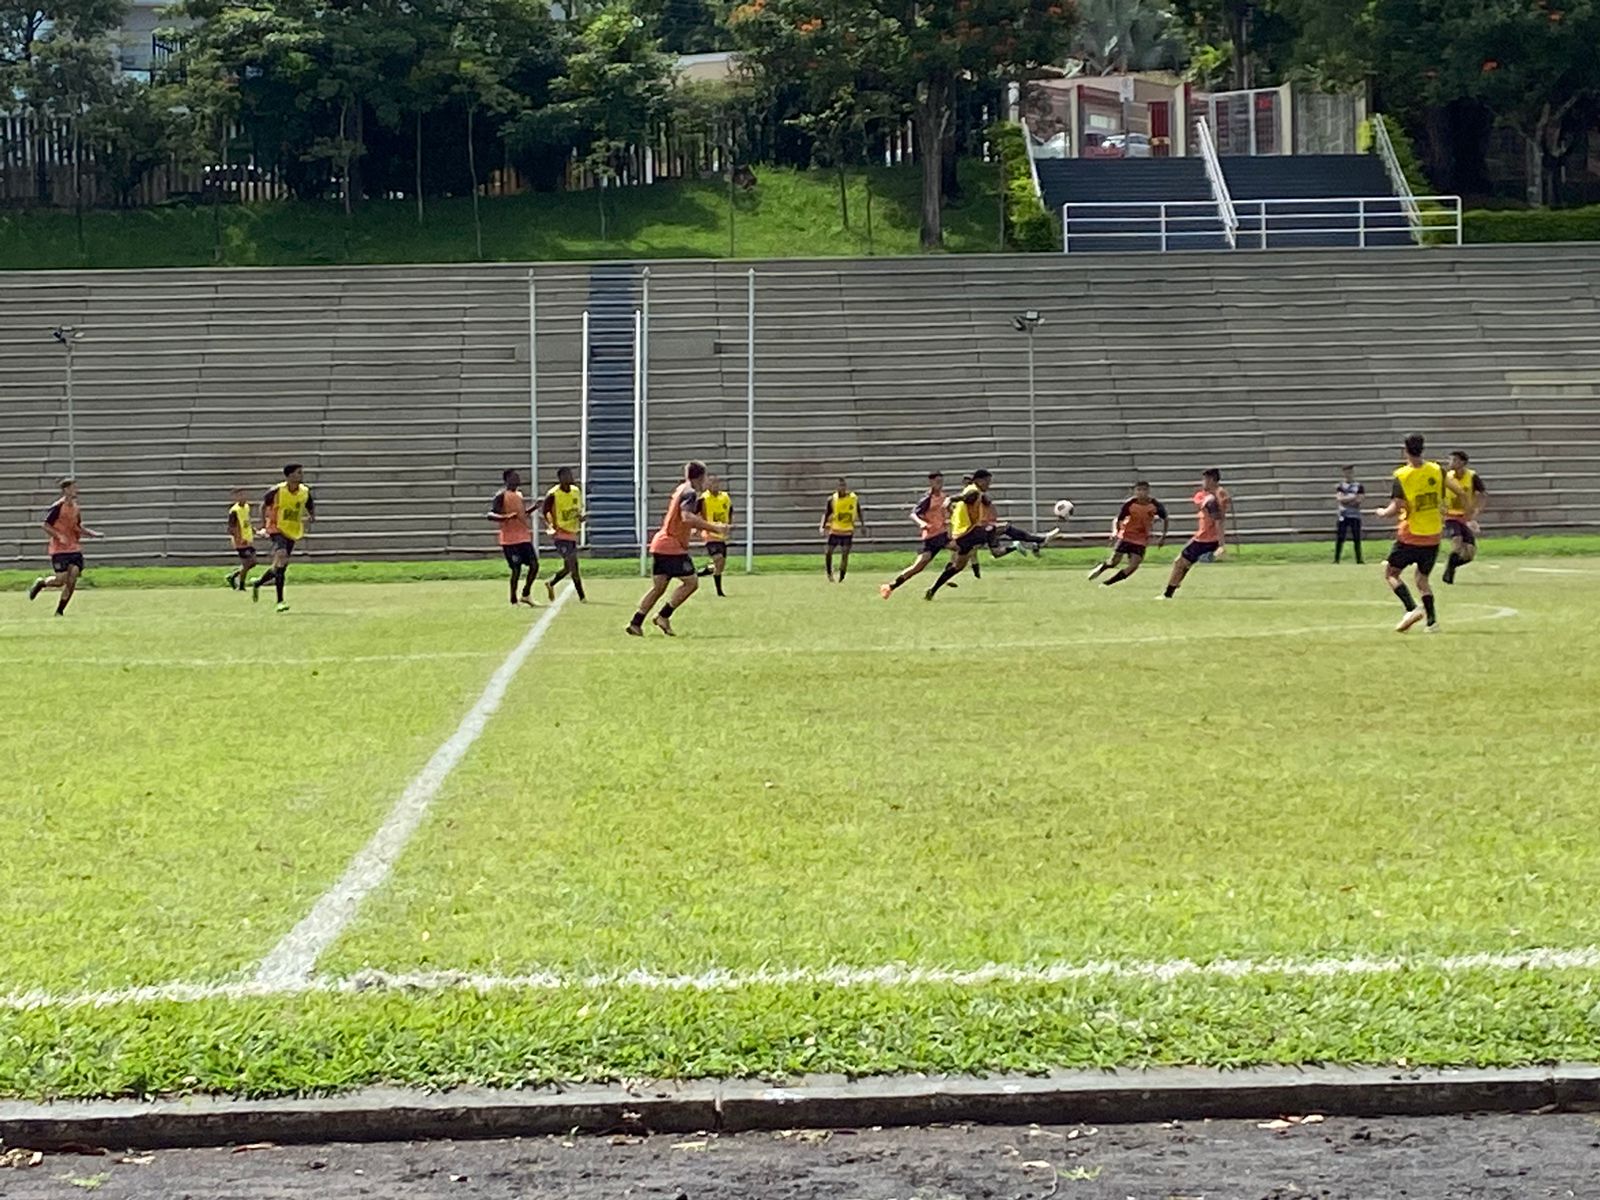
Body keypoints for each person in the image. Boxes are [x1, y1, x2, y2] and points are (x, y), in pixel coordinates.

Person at [1374, 433, 1470, 633]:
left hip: (1411, 534)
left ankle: (1411, 609)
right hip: (1433, 534)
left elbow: (1397, 506)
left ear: (1405, 450)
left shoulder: (1402, 475)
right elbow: (1459, 491)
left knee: (1391, 573)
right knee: (1422, 579)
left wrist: (1383, 512)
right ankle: (1432, 622)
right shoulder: (1437, 470)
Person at [627, 461, 729, 637]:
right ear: (701, 477)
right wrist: (715, 528)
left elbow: (685, 518)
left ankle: (636, 623)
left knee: (659, 587)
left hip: (660, 543)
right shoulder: (690, 493)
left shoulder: (682, 489)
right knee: (691, 582)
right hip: (671, 546)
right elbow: (687, 516)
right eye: (705, 476)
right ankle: (663, 616)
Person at [28, 478, 101, 616]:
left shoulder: (76, 508)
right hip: (59, 549)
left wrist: (91, 534)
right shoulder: (57, 507)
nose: (76, 490)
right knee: (60, 580)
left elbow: (77, 527)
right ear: (66, 490)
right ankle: (41, 583)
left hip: (74, 548)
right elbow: (45, 525)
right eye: (73, 488)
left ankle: (59, 611)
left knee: (72, 579)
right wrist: (58, 536)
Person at [251, 463, 314, 613]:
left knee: (280, 566)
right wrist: (263, 525)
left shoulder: (304, 491)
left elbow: (309, 505)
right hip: (276, 528)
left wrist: (312, 516)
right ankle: (280, 601)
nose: (301, 475)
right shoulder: (277, 491)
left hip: (292, 530)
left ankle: (259, 582)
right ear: (289, 476)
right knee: (282, 555)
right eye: (298, 473)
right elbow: (263, 506)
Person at [1160, 468, 1230, 599]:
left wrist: (1221, 544)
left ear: (1211, 480)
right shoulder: (1215, 494)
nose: (1203, 482)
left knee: (1179, 563)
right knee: (1185, 564)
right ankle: (1176, 582)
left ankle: (1168, 594)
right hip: (1206, 537)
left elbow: (1218, 520)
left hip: (1205, 538)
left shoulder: (1212, 498)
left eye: (1205, 479)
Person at [923, 469, 992, 600]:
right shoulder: (972, 492)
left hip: (965, 532)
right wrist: (950, 500)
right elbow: (962, 499)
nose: (989, 485)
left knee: (957, 566)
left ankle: (932, 590)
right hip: (965, 533)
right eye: (987, 482)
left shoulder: (974, 494)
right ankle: (1001, 548)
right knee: (996, 531)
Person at [881, 470, 950, 598]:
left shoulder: (944, 496)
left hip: (943, 534)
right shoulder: (927, 498)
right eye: (937, 482)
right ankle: (890, 586)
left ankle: (947, 575)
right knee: (917, 567)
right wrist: (921, 523)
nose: (940, 484)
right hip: (931, 537)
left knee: (961, 549)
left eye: (941, 482)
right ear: (931, 482)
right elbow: (913, 514)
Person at [1089, 481, 1168, 585]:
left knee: (1133, 566)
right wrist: (1115, 532)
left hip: (1141, 539)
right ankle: (1102, 568)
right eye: (1139, 490)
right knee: (1113, 562)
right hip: (1126, 536)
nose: (1141, 493)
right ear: (1135, 491)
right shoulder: (1130, 504)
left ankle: (1107, 583)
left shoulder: (1155, 505)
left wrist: (1163, 537)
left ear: (1148, 491)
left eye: (1144, 490)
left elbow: (1166, 518)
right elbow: (1119, 519)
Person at [489, 468, 538, 607]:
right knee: (516, 569)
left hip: (523, 537)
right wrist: (505, 517)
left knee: (534, 566)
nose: (517, 479)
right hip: (510, 540)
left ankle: (526, 593)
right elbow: (491, 515)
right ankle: (513, 599)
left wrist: (532, 509)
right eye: (514, 477)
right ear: (507, 480)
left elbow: (520, 515)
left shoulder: (519, 495)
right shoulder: (501, 496)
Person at [1441, 450, 1488, 585]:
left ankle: (1451, 566)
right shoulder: (1447, 477)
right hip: (1450, 516)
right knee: (1457, 541)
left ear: (1462, 463)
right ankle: (1449, 574)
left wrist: (1476, 512)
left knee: (1470, 554)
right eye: (1450, 460)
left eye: (1454, 460)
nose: (1451, 463)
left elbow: (1483, 494)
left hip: (1465, 517)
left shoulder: (1472, 476)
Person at [542, 466, 587, 602]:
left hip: (572, 532)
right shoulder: (553, 494)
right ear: (560, 478)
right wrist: (550, 525)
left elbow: (577, 509)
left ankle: (551, 583)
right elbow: (545, 511)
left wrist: (580, 517)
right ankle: (582, 596)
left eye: (570, 475)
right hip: (560, 533)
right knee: (573, 563)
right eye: (567, 476)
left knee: (568, 567)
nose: (570, 478)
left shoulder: (575, 491)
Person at [820, 478, 864, 582]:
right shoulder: (832, 500)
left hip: (847, 530)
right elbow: (826, 513)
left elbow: (858, 511)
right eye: (840, 486)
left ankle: (842, 575)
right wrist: (823, 526)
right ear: (837, 488)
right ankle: (829, 572)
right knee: (828, 552)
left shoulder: (853, 499)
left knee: (845, 553)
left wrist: (863, 525)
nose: (842, 488)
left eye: (843, 486)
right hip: (835, 530)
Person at [696, 474, 733, 597]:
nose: (714, 486)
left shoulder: (725, 497)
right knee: (718, 558)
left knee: (720, 565)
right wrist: (697, 528)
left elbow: (729, 512)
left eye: (716, 483)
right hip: (709, 533)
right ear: (707, 485)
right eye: (711, 483)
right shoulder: (704, 498)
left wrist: (729, 526)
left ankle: (709, 569)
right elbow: (695, 513)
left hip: (721, 535)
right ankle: (719, 591)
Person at [225, 487, 259, 592]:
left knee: (252, 563)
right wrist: (239, 539)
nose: (243, 497)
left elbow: (247, 521)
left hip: (248, 539)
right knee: (248, 563)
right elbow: (231, 528)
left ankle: (233, 576)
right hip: (241, 542)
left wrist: (254, 530)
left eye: (244, 494)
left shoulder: (246, 507)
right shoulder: (234, 511)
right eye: (239, 495)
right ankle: (241, 585)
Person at [1335, 465, 1365, 565]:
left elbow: (1359, 500)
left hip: (1355, 515)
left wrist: (1347, 499)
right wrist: (1352, 497)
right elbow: (1340, 499)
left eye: (1350, 472)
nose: (1348, 474)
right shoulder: (1340, 486)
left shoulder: (1359, 486)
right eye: (1346, 472)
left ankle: (1359, 559)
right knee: (1340, 538)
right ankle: (1336, 559)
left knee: (1357, 538)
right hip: (1343, 515)